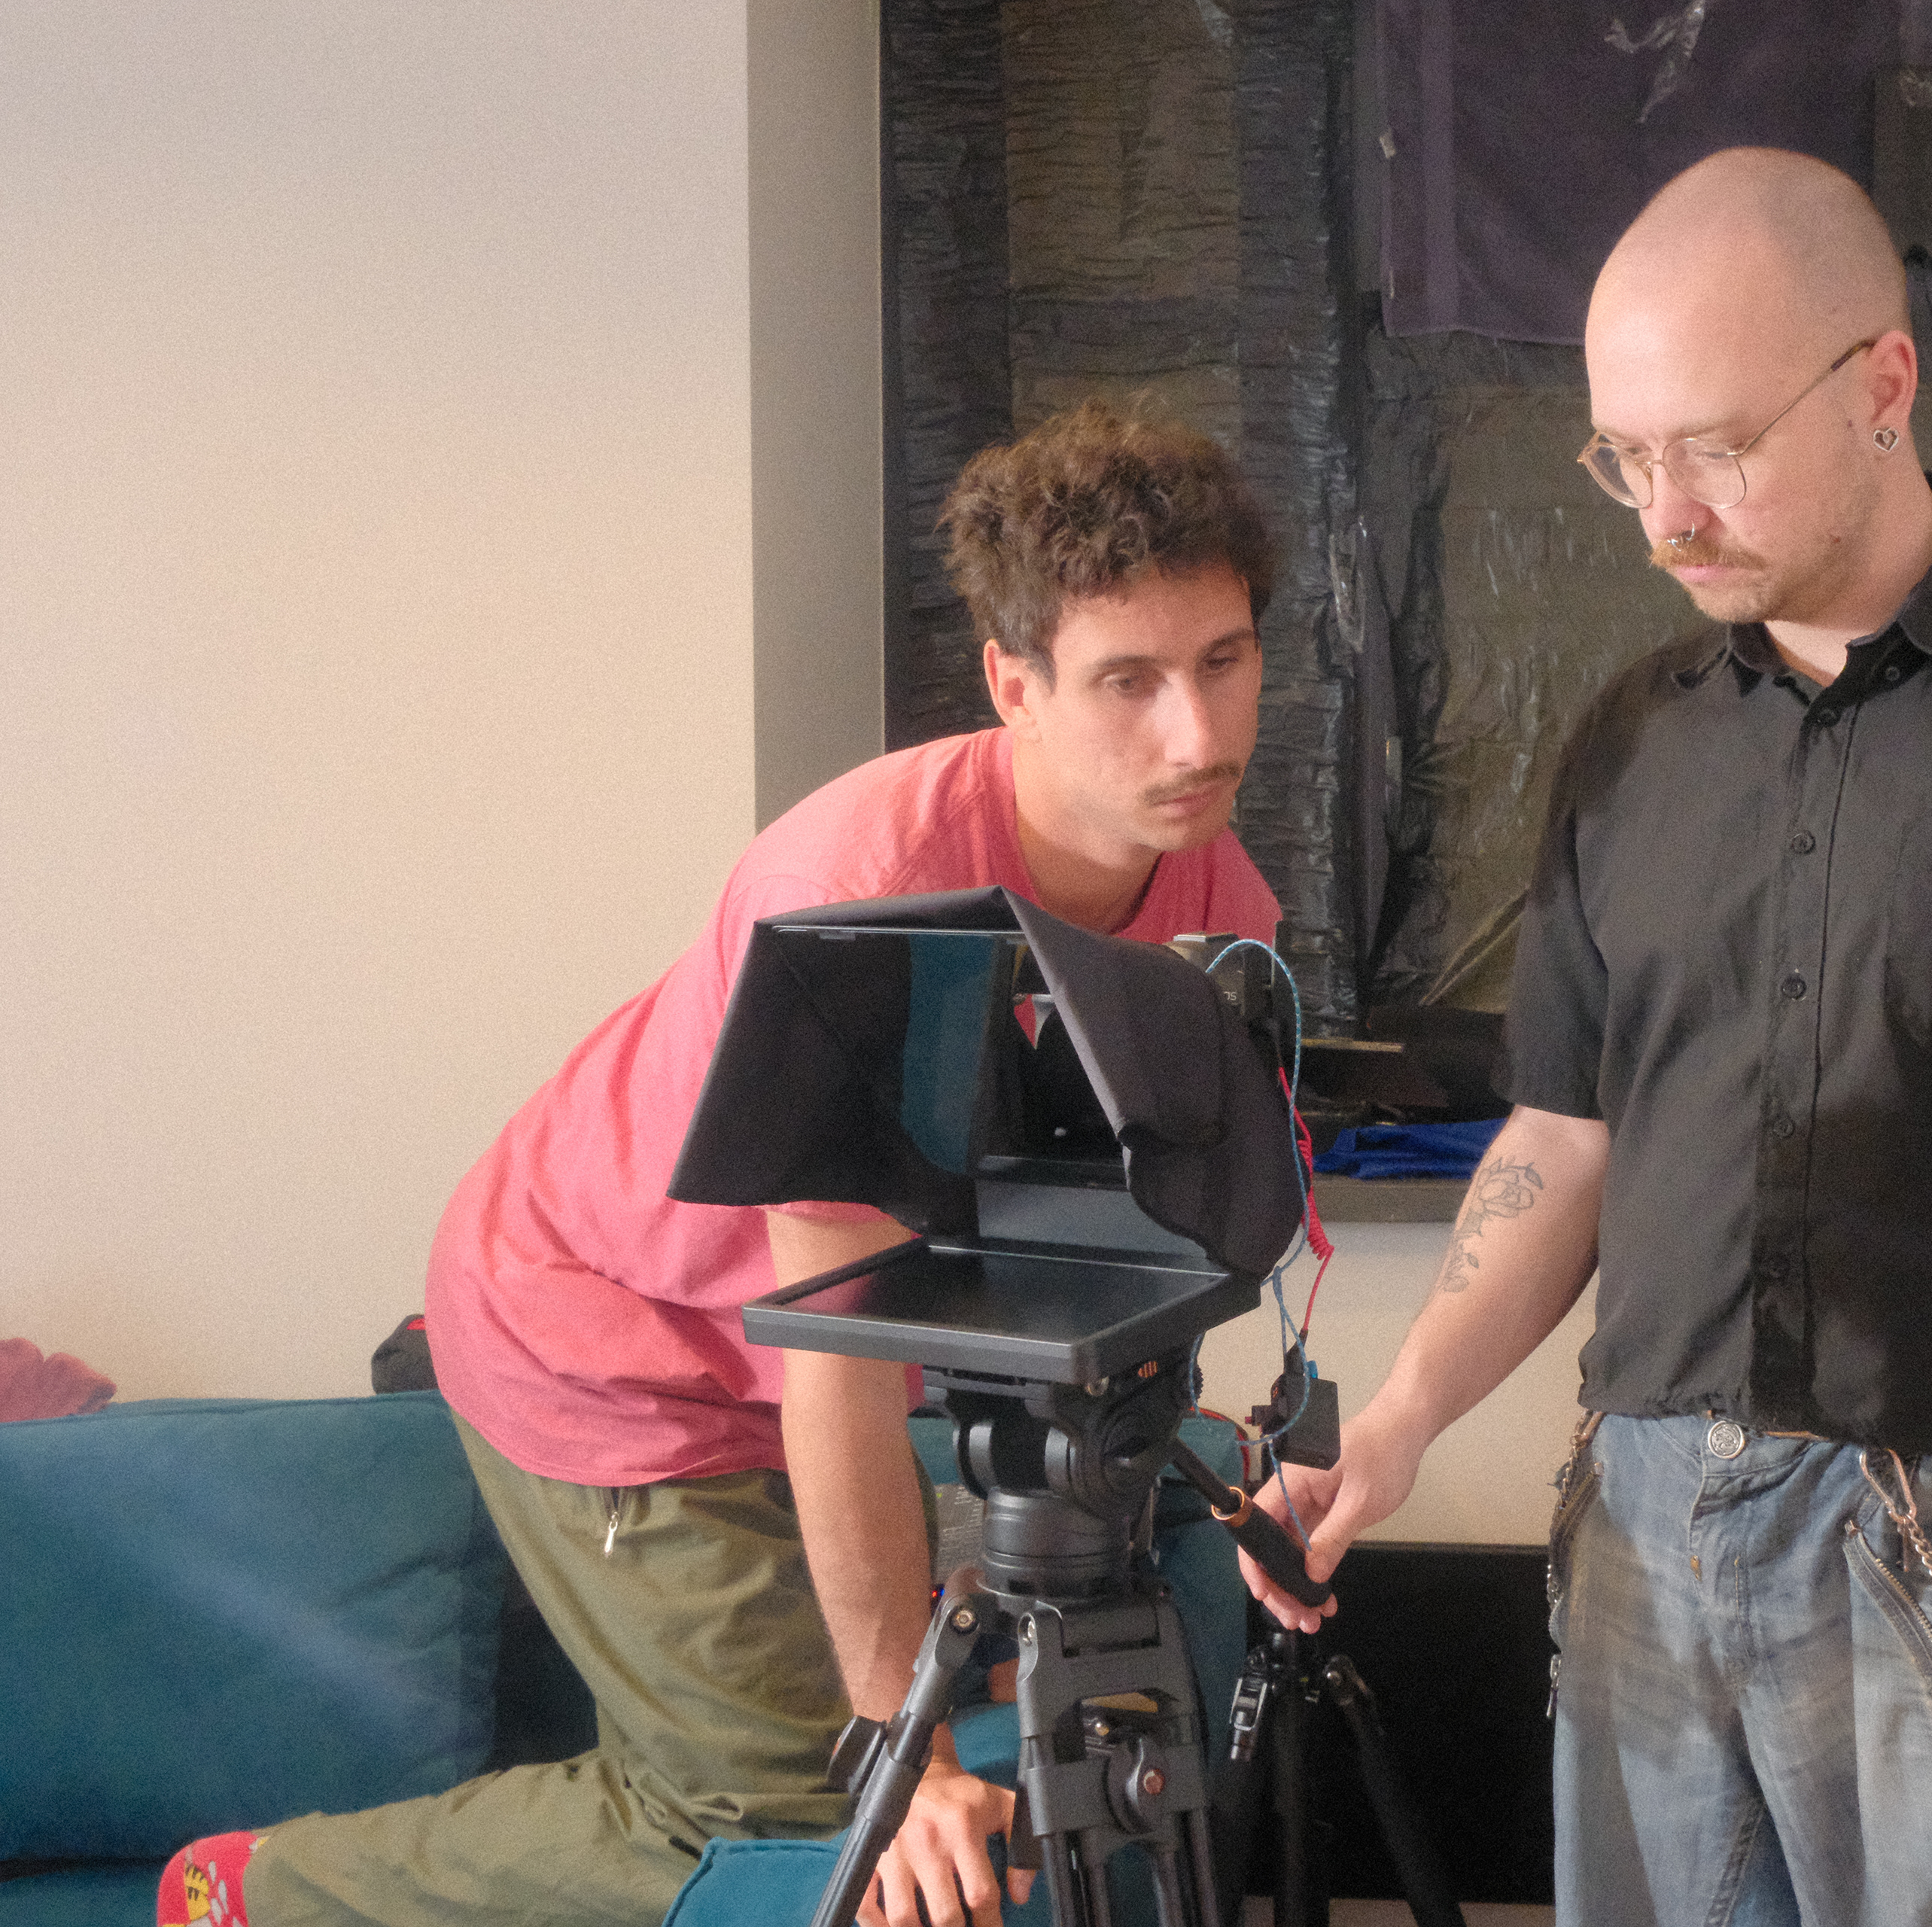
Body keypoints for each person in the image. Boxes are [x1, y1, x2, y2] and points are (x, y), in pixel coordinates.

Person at [1241, 150, 1932, 1927]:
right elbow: (1566, 1135)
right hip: (1647, 1527)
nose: (1665, 515)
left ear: (1883, 383)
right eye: (1624, 457)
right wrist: (1404, 1415)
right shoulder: (1630, 740)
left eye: (1716, 447)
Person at [165, 402, 1283, 1927]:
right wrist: (901, 1747)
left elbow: (1113, 1229)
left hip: (816, 1347)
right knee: (805, 1817)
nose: (1198, 737)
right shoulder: (866, 896)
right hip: (602, 1328)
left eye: (1223, 661)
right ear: (1012, 685)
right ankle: (263, 1889)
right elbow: (835, 1357)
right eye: (1129, 681)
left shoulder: (1213, 890)